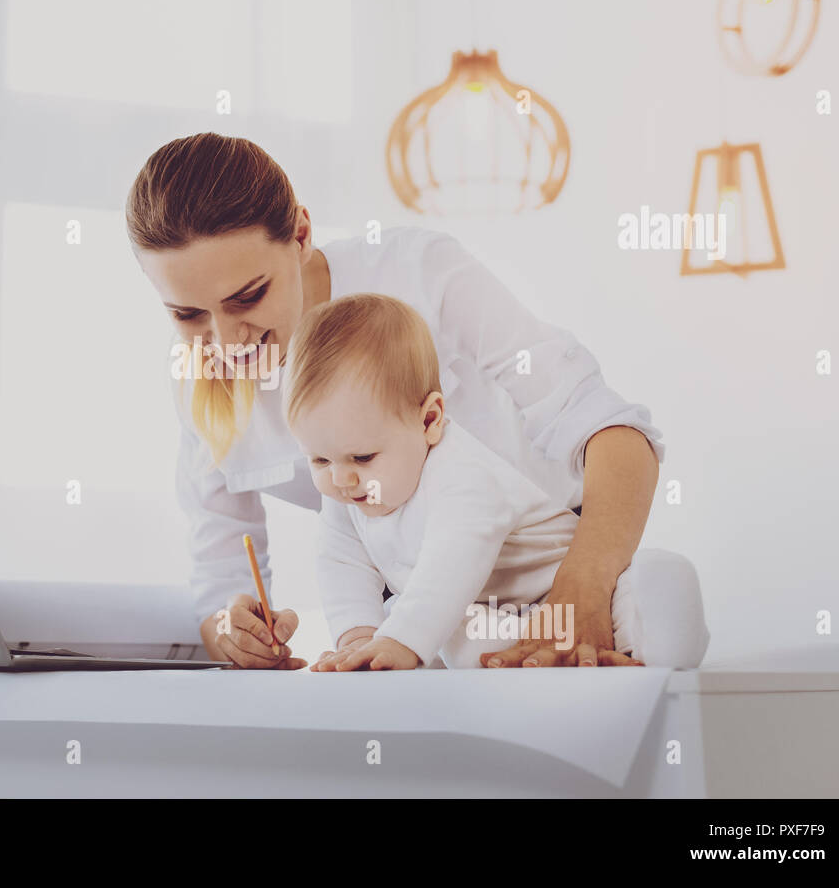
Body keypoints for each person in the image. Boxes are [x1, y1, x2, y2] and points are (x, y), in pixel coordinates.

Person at [125, 131, 708, 670]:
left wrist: (586, 583)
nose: (227, 343)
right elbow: (221, 568)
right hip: (435, 618)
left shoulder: (419, 273)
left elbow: (609, 429)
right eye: (188, 314)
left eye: (248, 297)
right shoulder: (198, 382)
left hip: (563, 560)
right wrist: (235, 630)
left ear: (301, 234)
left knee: (654, 623)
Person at [282, 292, 708, 671]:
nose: (340, 478)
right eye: (318, 459)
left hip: (564, 590)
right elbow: (341, 563)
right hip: (491, 612)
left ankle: (659, 622)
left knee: (639, 610)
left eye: (363, 457)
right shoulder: (345, 488)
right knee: (462, 642)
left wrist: (401, 638)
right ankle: (544, 659)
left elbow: (452, 560)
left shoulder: (462, 473)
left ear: (428, 421)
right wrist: (360, 639)